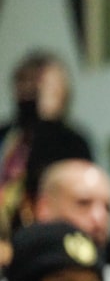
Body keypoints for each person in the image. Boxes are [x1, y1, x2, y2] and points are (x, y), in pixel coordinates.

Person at [0, 50, 93, 248]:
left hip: (45, 240)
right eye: (23, 81)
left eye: (39, 85)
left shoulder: (72, 142)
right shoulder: (7, 134)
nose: (29, 91)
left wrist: (47, 119)